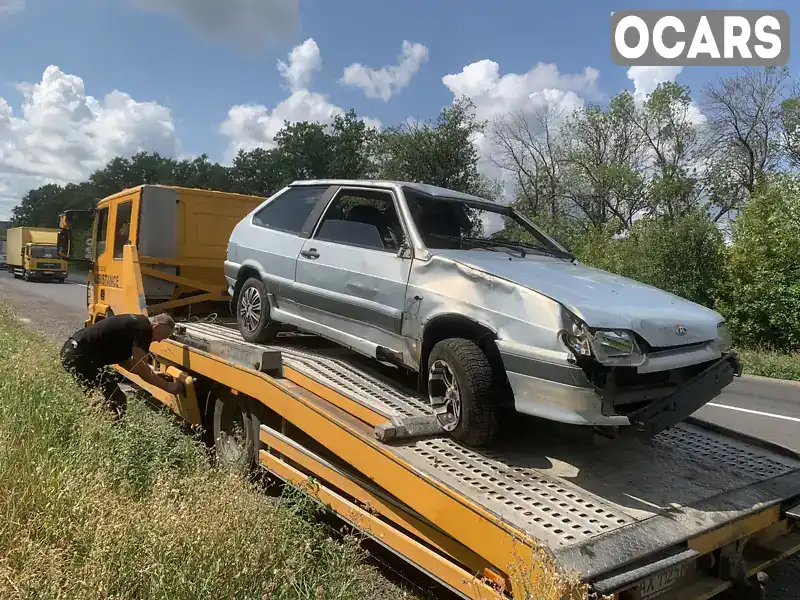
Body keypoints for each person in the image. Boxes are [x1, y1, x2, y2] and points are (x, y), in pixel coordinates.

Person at [60, 312, 184, 417]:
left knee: (103, 398)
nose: (159, 340)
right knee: (115, 399)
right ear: (156, 327)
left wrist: (155, 375)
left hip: (73, 353)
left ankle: (97, 426)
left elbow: (129, 364)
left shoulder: (135, 325)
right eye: (162, 336)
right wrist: (169, 387)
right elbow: (141, 367)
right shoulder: (144, 329)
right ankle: (104, 431)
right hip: (81, 358)